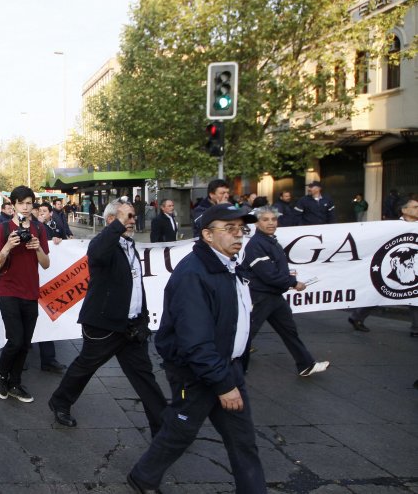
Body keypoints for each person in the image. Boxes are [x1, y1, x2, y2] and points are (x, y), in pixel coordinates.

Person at [128, 203, 266, 494]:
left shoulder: (228, 266)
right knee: (180, 431)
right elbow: (195, 341)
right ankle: (143, 476)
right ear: (207, 235)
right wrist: (223, 383)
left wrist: (232, 371)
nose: (238, 235)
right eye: (229, 229)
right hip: (198, 373)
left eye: (242, 229)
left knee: (242, 440)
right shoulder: (194, 273)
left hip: (226, 368)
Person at [48, 200, 167, 431]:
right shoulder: (101, 244)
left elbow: (136, 286)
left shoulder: (129, 245)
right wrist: (117, 225)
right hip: (103, 325)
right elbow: (99, 253)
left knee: (144, 376)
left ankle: (162, 425)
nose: (133, 220)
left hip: (131, 327)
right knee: (85, 366)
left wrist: (142, 318)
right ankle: (60, 401)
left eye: (133, 216)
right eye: (128, 216)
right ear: (112, 220)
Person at [240, 206, 330, 376]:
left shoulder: (269, 241)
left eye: (273, 219)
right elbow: (269, 275)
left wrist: (289, 282)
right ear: (257, 223)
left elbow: (274, 274)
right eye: (265, 220)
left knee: (289, 331)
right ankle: (225, 368)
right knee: (246, 334)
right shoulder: (256, 245)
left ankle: (305, 364)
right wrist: (294, 283)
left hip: (273, 296)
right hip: (261, 296)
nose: (271, 223)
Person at [0, 185, 50, 403]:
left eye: (29, 203)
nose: (26, 207)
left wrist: (38, 248)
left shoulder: (40, 230)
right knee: (15, 340)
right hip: (8, 290)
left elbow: (45, 264)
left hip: (30, 291)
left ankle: (15, 382)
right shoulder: (2, 229)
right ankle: (1, 373)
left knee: (25, 342)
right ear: (13, 205)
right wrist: (7, 247)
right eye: (21, 203)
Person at [348, 197, 418, 336]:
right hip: (391, 266)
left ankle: (416, 328)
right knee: (380, 293)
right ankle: (357, 316)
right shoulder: (391, 226)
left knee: (414, 295)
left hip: (413, 266)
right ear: (404, 210)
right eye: (415, 207)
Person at [32, 202, 66, 373]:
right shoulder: (9, 228)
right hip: (26, 283)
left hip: (45, 280)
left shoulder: (46, 228)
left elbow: (57, 244)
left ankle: (48, 359)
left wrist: (57, 240)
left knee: (45, 316)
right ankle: (19, 357)